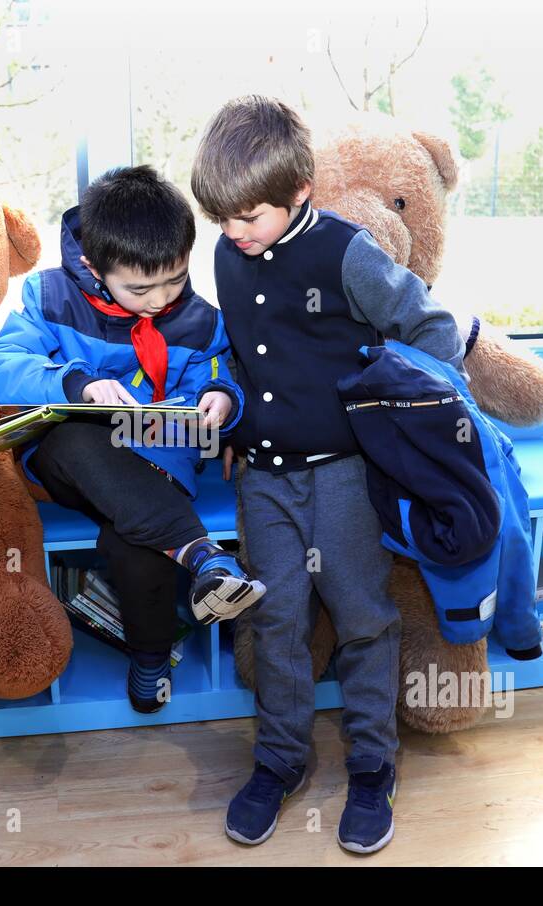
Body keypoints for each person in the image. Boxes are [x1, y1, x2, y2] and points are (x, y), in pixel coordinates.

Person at [191, 94, 468, 853]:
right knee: (274, 618)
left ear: (300, 192)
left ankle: (373, 765)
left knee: (361, 616)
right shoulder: (228, 254)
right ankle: (280, 760)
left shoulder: (348, 253)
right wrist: (221, 388)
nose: (234, 234)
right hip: (264, 478)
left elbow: (427, 327)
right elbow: (236, 349)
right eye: (223, 219)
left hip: (346, 475)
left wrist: (423, 406)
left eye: (249, 217)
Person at [0, 165, 265, 713]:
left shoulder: (202, 321)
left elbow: (220, 376)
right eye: (140, 288)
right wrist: (76, 384)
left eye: (175, 279)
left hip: (158, 467)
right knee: (76, 436)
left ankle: (151, 657)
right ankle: (205, 557)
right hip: (72, 464)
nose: (160, 299)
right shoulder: (51, 296)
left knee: (133, 543)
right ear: (93, 265)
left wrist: (222, 399)